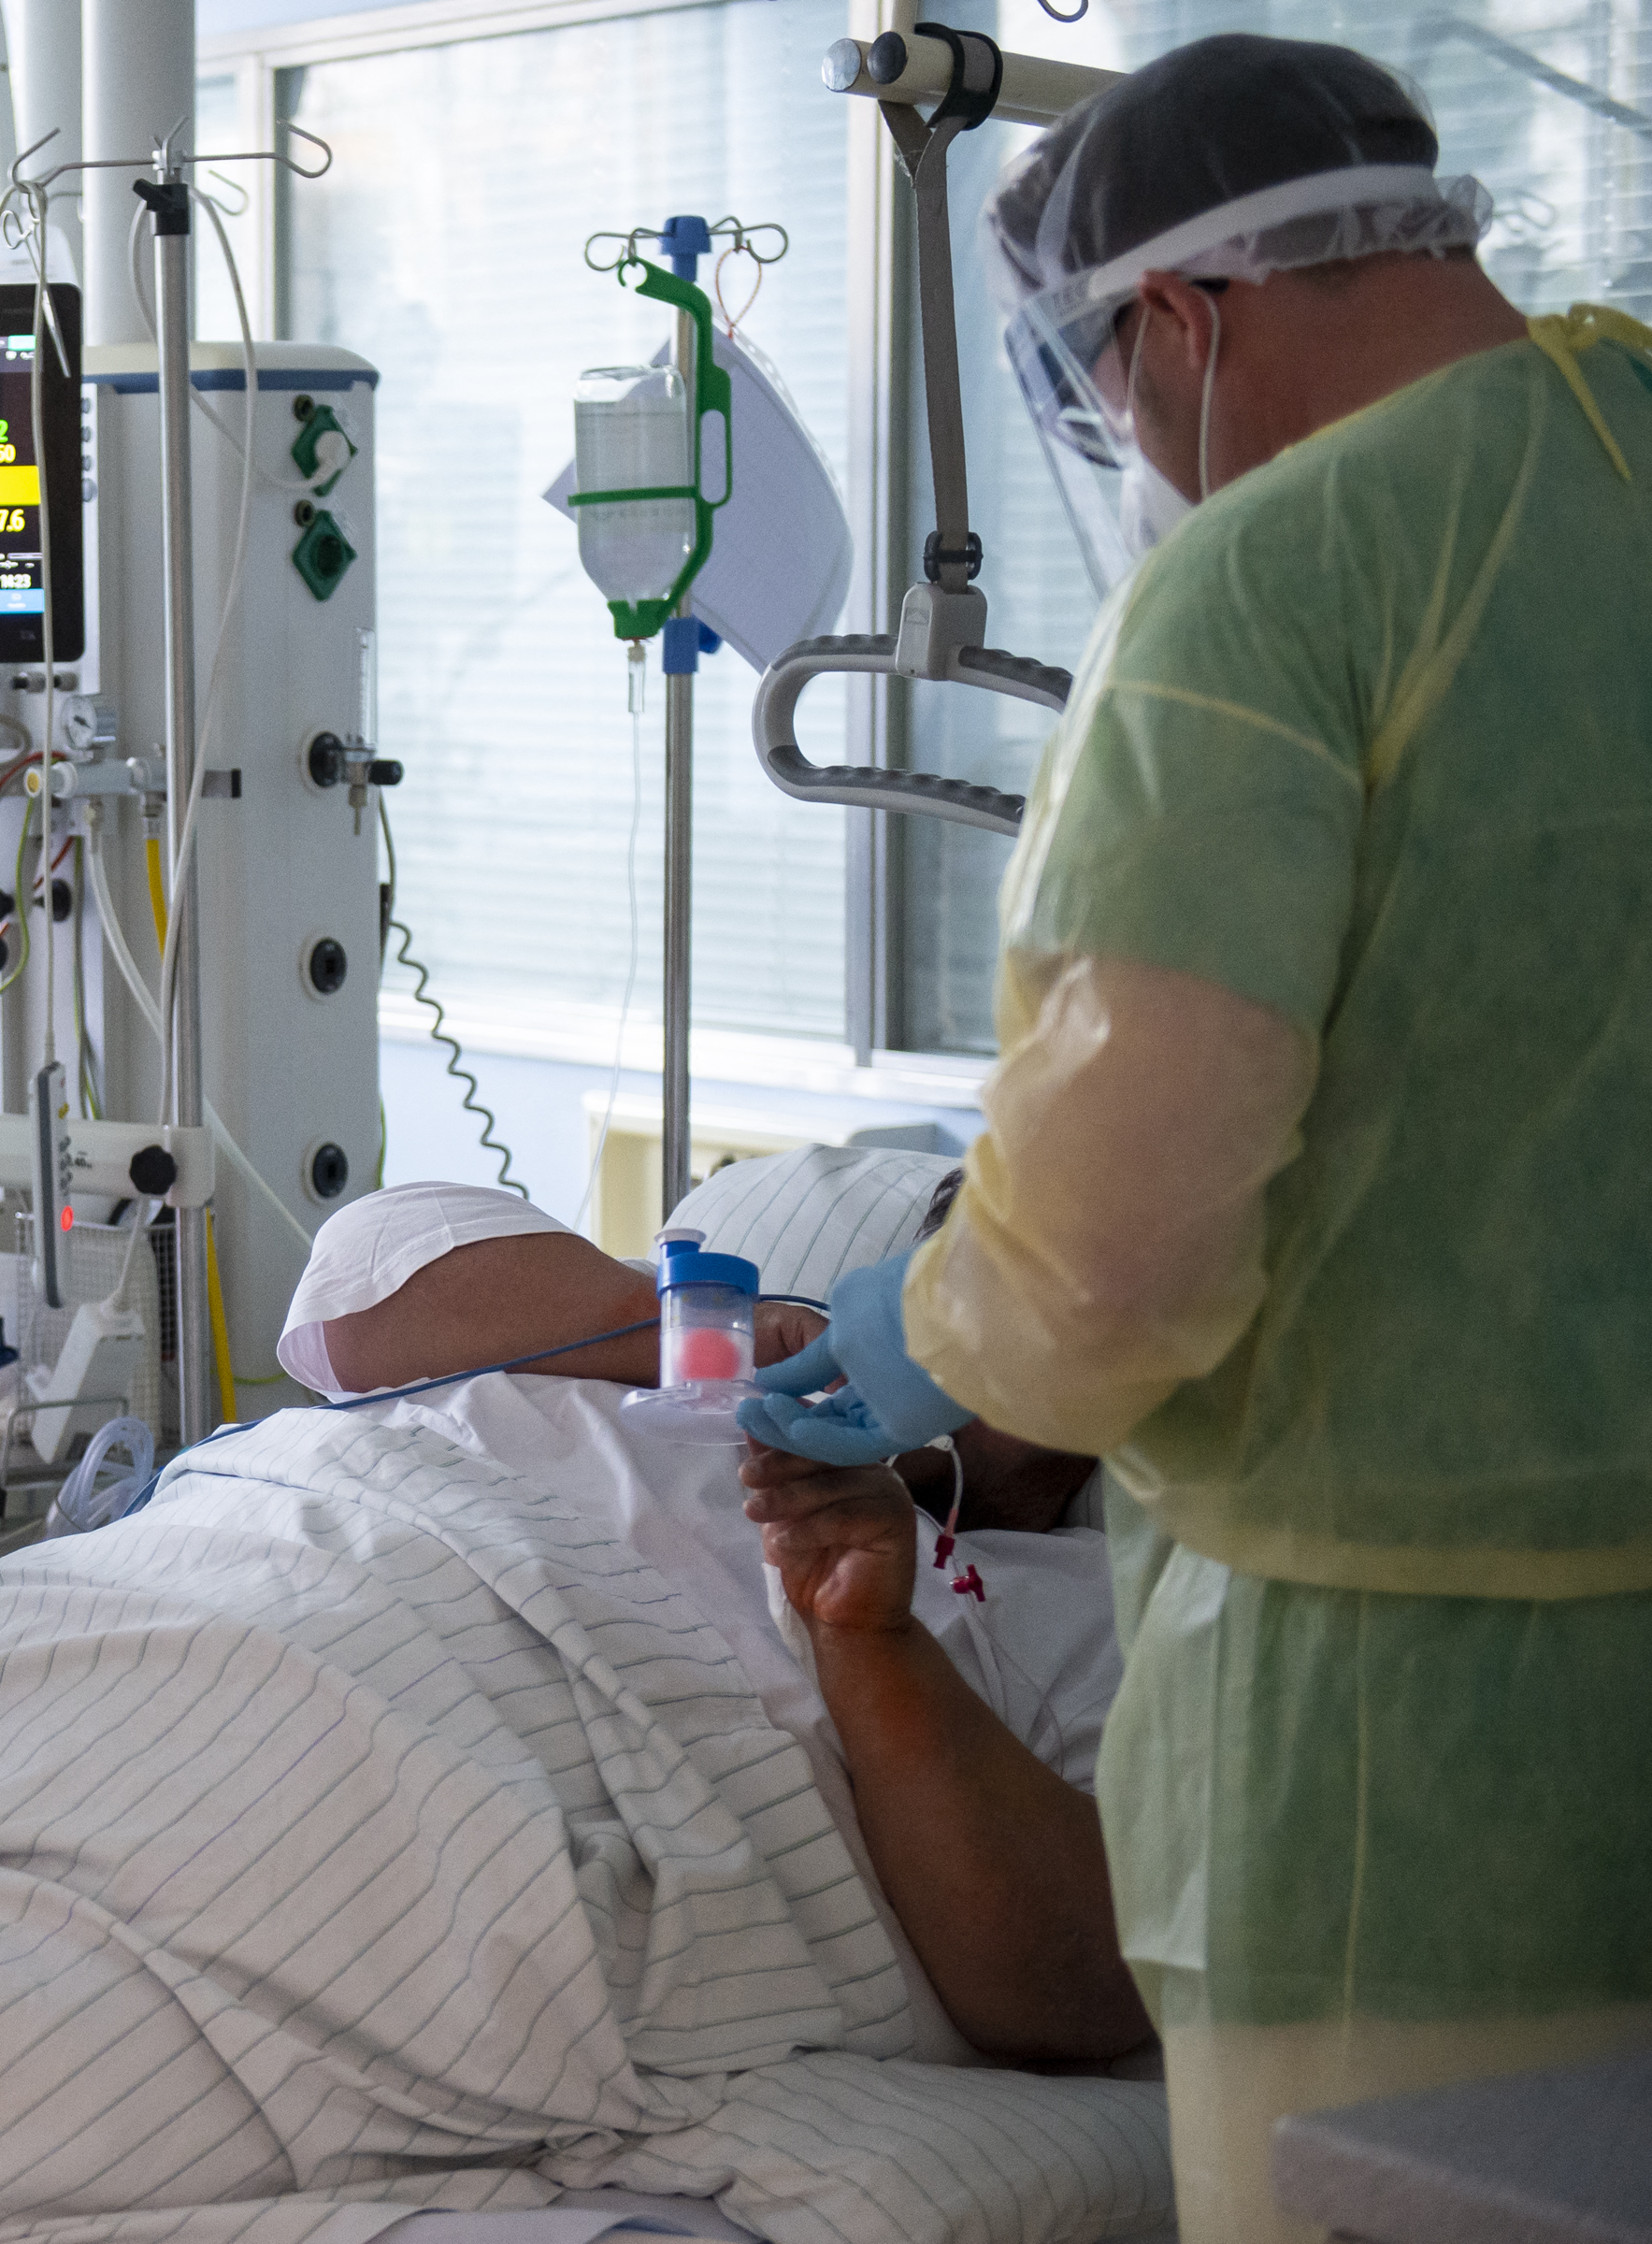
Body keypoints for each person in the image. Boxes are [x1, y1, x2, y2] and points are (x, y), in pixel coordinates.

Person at [729, 36, 1652, 2239]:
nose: (1132, 451)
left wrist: (930, 1335)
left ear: (1177, 319)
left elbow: (1103, 1257)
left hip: (1387, 1733)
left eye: (1106, 392)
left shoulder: (1272, 591)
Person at [283, 1171, 1147, 2067]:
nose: (990, 1325)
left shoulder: (1094, 1612)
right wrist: (693, 1339)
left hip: (467, 1797)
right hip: (308, 1564)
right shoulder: (661, 1334)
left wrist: (868, 1640)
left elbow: (1080, 1988)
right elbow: (354, 1295)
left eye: (1048, 1302)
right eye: (969, 1278)